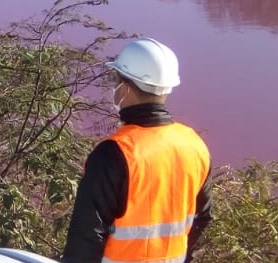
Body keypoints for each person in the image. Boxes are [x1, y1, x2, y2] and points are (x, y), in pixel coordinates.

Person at [61, 37, 213, 263]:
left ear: (127, 87)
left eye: (117, 80)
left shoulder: (115, 153)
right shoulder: (195, 146)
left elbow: (86, 238)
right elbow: (202, 217)